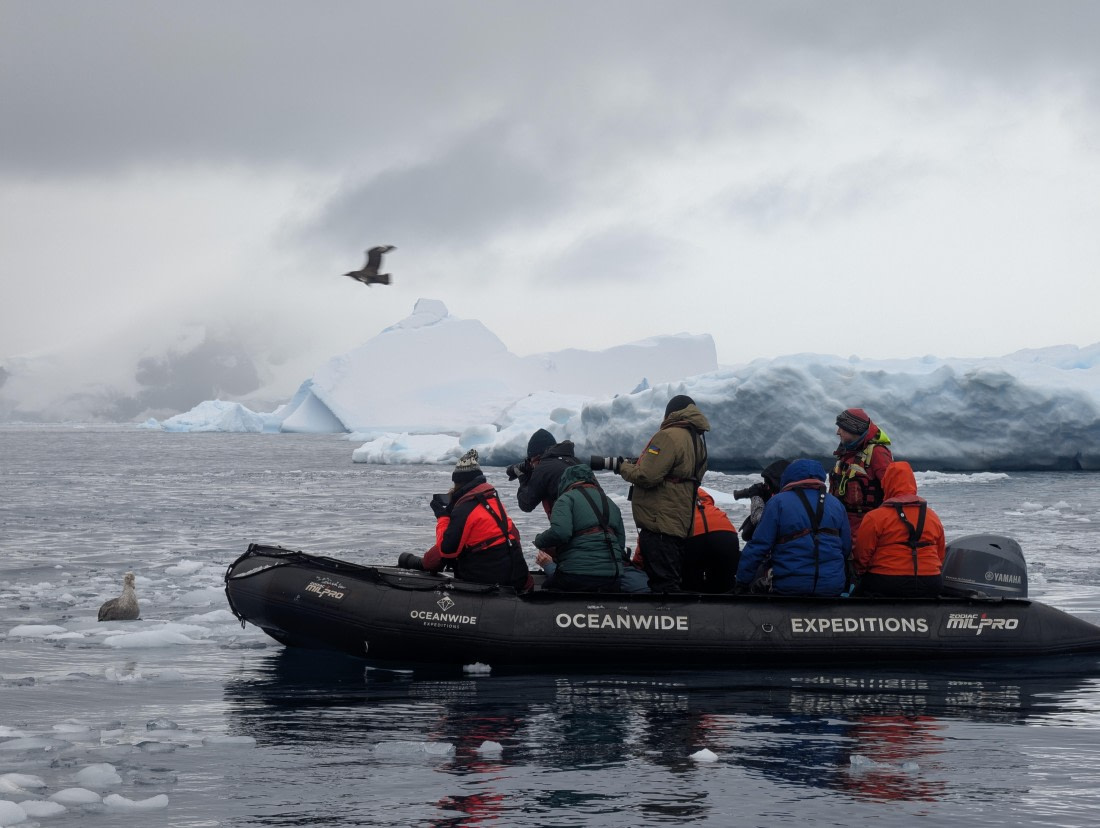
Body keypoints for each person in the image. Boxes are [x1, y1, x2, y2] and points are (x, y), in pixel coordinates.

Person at [613, 394, 710, 592]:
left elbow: (647, 476)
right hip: (681, 522)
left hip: (660, 523)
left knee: (663, 584)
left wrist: (622, 467)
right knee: (673, 579)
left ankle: (666, 619)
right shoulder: (697, 441)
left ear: (671, 413)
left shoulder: (668, 436)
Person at [399, 449, 532, 591]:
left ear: (459, 483)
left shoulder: (466, 508)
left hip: (490, 582)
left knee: (445, 554)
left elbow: (446, 550)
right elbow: (514, 534)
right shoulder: (492, 499)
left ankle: (419, 563)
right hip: (518, 578)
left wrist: (443, 517)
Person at [734, 458, 850, 596]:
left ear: (789, 476)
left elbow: (758, 546)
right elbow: (845, 548)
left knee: (758, 579)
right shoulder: (836, 504)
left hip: (789, 586)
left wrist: (741, 583)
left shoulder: (778, 502)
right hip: (832, 586)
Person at [852, 461, 946, 598]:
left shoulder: (875, 517)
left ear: (886, 483)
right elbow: (940, 554)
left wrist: (860, 575)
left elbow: (861, 556)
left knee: (857, 594)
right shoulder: (932, 516)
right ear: (912, 483)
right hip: (930, 581)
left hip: (887, 581)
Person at [532, 464, 627, 591]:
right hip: (613, 578)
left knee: (545, 589)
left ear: (566, 481)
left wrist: (539, 540)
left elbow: (560, 532)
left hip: (576, 576)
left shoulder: (566, 499)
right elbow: (620, 545)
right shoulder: (611, 503)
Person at [828, 408, 893, 535]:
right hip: (842, 529)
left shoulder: (877, 453)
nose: (838, 432)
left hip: (866, 532)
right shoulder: (845, 453)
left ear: (854, 429)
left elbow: (893, 491)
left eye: (842, 428)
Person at [512, 429, 580, 516]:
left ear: (537, 457)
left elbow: (526, 504)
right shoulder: (576, 462)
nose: (532, 465)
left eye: (531, 461)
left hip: (574, 527)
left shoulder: (543, 467)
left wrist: (523, 479)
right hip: (599, 523)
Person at [737, 459, 791, 543]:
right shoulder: (801, 496)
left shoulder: (786, 500)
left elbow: (759, 521)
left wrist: (756, 497)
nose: (768, 488)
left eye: (769, 484)